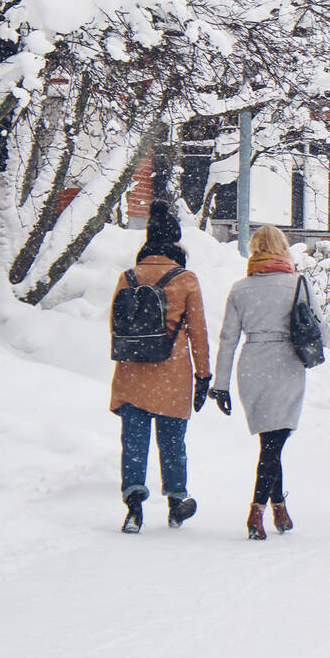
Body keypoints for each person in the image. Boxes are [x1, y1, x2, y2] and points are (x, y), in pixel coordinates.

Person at [109, 201, 212, 533]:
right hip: (172, 372)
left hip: (131, 371)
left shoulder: (128, 277)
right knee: (171, 441)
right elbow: (198, 333)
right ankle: (176, 502)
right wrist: (203, 375)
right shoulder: (185, 279)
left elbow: (116, 323)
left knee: (134, 441)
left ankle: (134, 506)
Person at [211, 225, 315, 541]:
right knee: (273, 443)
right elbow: (316, 324)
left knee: (270, 440)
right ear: (282, 248)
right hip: (285, 363)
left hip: (252, 364)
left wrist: (222, 383)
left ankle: (279, 507)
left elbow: (228, 339)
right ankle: (256, 510)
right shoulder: (297, 284)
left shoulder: (240, 289)